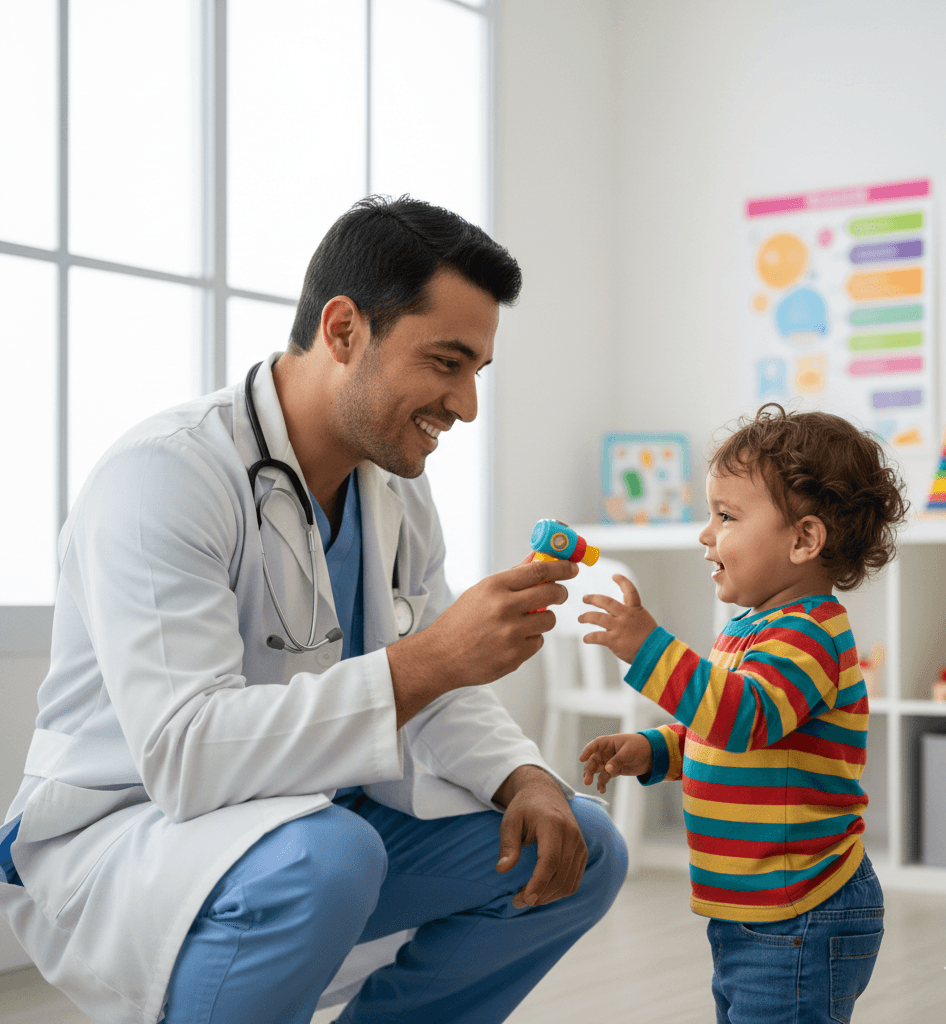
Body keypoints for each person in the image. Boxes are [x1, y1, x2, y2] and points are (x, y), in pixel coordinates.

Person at [0, 195, 627, 1024]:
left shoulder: (397, 487)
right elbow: (186, 754)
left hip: (317, 817)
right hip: (134, 829)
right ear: (343, 330)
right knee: (328, 858)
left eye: (477, 370)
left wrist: (526, 776)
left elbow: (441, 693)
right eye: (447, 362)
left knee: (581, 844)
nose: (467, 404)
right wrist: (436, 657)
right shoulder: (165, 476)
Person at [577, 403, 909, 1023]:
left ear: (804, 539)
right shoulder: (753, 629)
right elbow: (730, 733)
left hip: (802, 908)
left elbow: (741, 717)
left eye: (726, 516)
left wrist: (648, 646)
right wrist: (657, 749)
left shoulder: (810, 635)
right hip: (756, 908)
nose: (707, 533)